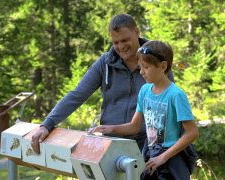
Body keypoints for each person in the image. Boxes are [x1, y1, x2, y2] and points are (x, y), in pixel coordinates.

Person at [31, 14, 175, 154]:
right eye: (115, 42)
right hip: (109, 144)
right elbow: (77, 95)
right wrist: (47, 124)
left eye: (125, 40)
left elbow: (169, 107)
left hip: (147, 146)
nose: (121, 47)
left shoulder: (157, 60)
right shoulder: (104, 63)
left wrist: (164, 151)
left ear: (136, 32)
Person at [88, 40, 199, 180]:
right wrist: (109, 128)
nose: (141, 72)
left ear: (163, 66)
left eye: (146, 67)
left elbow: (192, 132)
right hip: (150, 156)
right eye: (140, 67)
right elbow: (134, 127)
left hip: (170, 161)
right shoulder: (145, 91)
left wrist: (163, 157)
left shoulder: (176, 95)